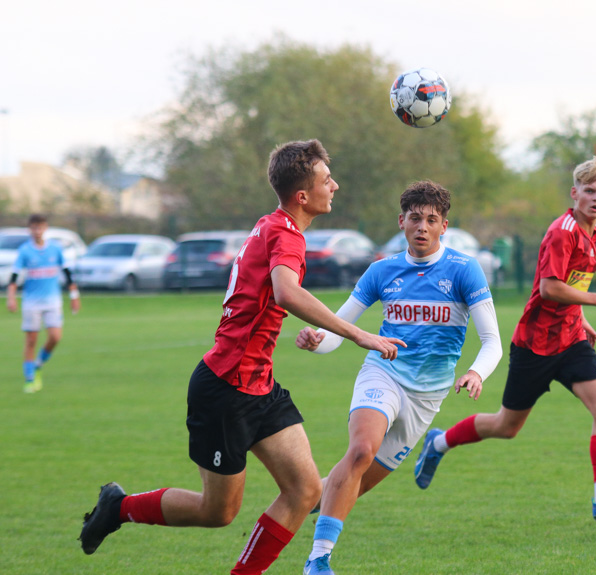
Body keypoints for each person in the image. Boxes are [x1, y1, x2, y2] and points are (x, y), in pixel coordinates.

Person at [78, 139, 405, 575]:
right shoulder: (285, 233)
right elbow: (288, 293)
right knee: (218, 512)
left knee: (305, 490)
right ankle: (119, 507)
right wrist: (357, 334)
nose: (336, 186)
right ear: (302, 196)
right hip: (226, 387)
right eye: (328, 179)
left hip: (258, 385)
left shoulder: (272, 226)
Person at [413, 156, 596, 524]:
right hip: (535, 344)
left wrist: (582, 318)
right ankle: (439, 442)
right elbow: (551, 288)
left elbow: (573, 284)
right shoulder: (563, 231)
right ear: (575, 193)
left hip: (570, 341)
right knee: (507, 426)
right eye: (589, 191)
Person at [295, 180, 503, 575]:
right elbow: (339, 329)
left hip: (427, 397)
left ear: (444, 226)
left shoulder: (464, 270)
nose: (422, 227)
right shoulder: (382, 271)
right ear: (401, 222)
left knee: (344, 488)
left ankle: (287, 508)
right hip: (383, 374)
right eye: (414, 219)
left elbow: (492, 341)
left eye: (431, 220)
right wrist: (316, 340)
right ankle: (318, 560)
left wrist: (476, 372)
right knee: (359, 452)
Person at [5, 214, 81, 393]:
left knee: (55, 337)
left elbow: (68, 273)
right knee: (31, 340)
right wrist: (11, 297)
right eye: (34, 228)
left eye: (40, 228)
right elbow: (14, 277)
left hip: (53, 301)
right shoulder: (25, 251)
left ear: (45, 229)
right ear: (29, 229)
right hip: (32, 302)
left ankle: (38, 364)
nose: (37, 231)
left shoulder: (55, 249)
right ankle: (30, 378)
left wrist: (74, 296)